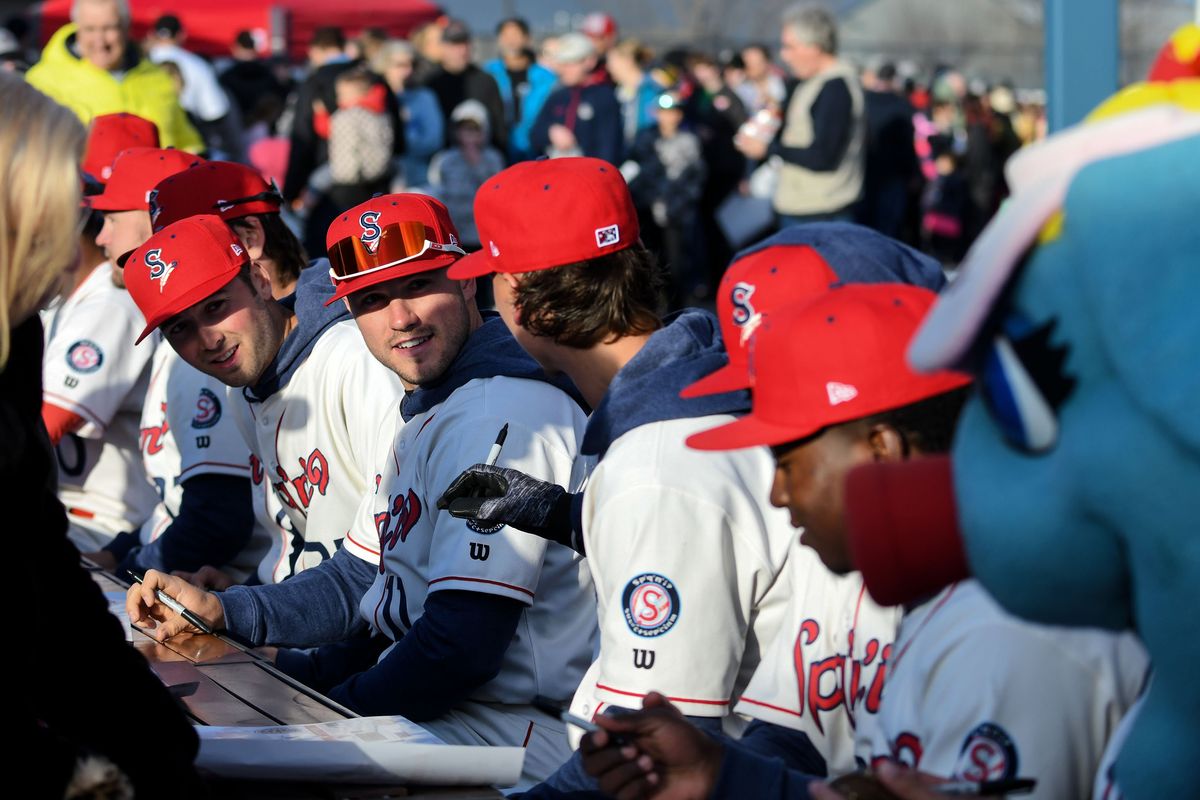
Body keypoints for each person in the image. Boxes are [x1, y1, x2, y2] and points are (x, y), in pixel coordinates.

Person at [586, 283, 1146, 799]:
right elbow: (796, 739)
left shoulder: (1010, 635)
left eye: (789, 462)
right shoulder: (938, 594)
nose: (777, 494)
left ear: (880, 447)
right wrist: (719, 774)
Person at [127, 195, 598, 788]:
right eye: (373, 299)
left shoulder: (497, 411)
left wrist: (331, 711)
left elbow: (460, 648)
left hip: (523, 734)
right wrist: (229, 612)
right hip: (457, 714)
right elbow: (363, 575)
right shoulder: (431, 409)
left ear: (465, 282)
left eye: (419, 284)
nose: (400, 318)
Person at [442, 157, 796, 792]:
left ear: (519, 293)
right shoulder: (694, 380)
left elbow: (650, 752)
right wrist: (563, 513)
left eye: (491, 274)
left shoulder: (659, 465)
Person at [1, 70, 201, 799]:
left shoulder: (17, 331)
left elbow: (37, 556)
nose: (82, 239)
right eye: (65, 214)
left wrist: (160, 749)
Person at [135, 162, 399, 586]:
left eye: (215, 306)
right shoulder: (244, 381)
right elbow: (304, 552)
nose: (207, 339)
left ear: (255, 272)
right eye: (180, 327)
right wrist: (243, 598)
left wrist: (256, 613)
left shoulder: (353, 357)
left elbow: (389, 568)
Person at [87, 161, 294, 586]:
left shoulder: (238, 350)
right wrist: (118, 554)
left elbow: (217, 518)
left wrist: (129, 570)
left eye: (188, 242)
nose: (168, 265)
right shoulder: (211, 347)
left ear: (249, 242)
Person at [44, 146, 200, 553]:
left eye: (112, 218)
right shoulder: (75, 298)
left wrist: (121, 556)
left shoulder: (114, 302)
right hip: (124, 532)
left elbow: (45, 424)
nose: (101, 233)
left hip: (103, 520)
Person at [736, 5, 866, 227]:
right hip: (803, 207)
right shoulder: (810, 81)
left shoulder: (835, 88)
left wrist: (767, 149)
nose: (784, 56)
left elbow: (824, 155)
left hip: (821, 214)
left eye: (789, 47)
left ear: (814, 47)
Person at [26, 0, 202, 151]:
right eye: (90, 29)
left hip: (158, 189)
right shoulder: (40, 83)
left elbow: (186, 142)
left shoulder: (156, 77)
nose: (100, 40)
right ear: (76, 27)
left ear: (126, 28)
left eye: (109, 28)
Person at [625, 91, 706, 308]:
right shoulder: (644, 138)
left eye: (674, 112)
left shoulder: (688, 141)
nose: (668, 117)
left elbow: (695, 178)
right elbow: (633, 170)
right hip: (646, 210)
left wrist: (678, 203)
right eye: (663, 112)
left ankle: (677, 307)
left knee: (676, 263)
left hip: (675, 214)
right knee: (649, 260)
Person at [145, 13, 243, 161]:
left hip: (146, 147)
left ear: (153, 35)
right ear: (182, 35)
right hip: (188, 149)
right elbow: (214, 112)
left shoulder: (140, 65)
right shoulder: (197, 65)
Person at [529, 33, 623, 165]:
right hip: (555, 174)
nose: (564, 70)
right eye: (562, 64)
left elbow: (609, 148)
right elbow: (534, 134)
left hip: (589, 176)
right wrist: (550, 132)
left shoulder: (604, 97)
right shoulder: (557, 96)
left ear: (589, 61)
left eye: (571, 63)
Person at [427, 99, 506, 249]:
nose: (469, 134)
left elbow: (496, 192)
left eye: (475, 129)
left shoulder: (493, 158)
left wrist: (476, 163)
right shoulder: (444, 159)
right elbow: (436, 189)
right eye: (464, 129)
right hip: (455, 231)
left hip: (483, 232)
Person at [424, 19, 507, 154]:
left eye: (465, 44)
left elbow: (498, 125)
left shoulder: (485, 80)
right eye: (455, 44)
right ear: (443, 47)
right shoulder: (431, 83)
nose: (462, 50)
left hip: (482, 159)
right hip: (443, 159)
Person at [483, 17, 557, 163]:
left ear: (526, 38)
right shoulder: (488, 73)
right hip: (497, 150)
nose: (511, 41)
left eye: (515, 35)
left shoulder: (546, 77)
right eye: (506, 36)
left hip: (537, 151)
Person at [373, 39, 444, 188]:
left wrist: (403, 142)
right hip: (379, 181)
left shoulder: (425, 97)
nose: (408, 71)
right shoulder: (375, 98)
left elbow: (433, 140)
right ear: (384, 68)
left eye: (411, 65)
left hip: (418, 181)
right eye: (400, 65)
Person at [326, 66, 395, 210]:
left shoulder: (345, 117)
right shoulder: (381, 114)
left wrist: (343, 178)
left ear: (357, 94)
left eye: (342, 94)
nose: (339, 98)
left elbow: (347, 150)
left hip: (350, 183)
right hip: (379, 177)